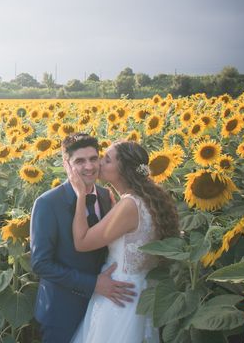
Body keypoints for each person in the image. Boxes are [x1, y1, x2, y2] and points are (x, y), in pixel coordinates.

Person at [68, 140, 179, 343]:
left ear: (124, 170)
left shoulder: (129, 205)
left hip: (119, 295)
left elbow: (82, 242)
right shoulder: (148, 199)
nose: (99, 163)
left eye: (106, 160)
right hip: (137, 290)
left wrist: (80, 195)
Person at [30, 133, 136, 343]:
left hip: (104, 306)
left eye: (93, 158)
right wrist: (92, 284)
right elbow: (41, 264)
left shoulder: (107, 196)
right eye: (80, 161)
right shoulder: (47, 203)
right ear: (66, 164)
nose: (89, 167)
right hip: (62, 310)